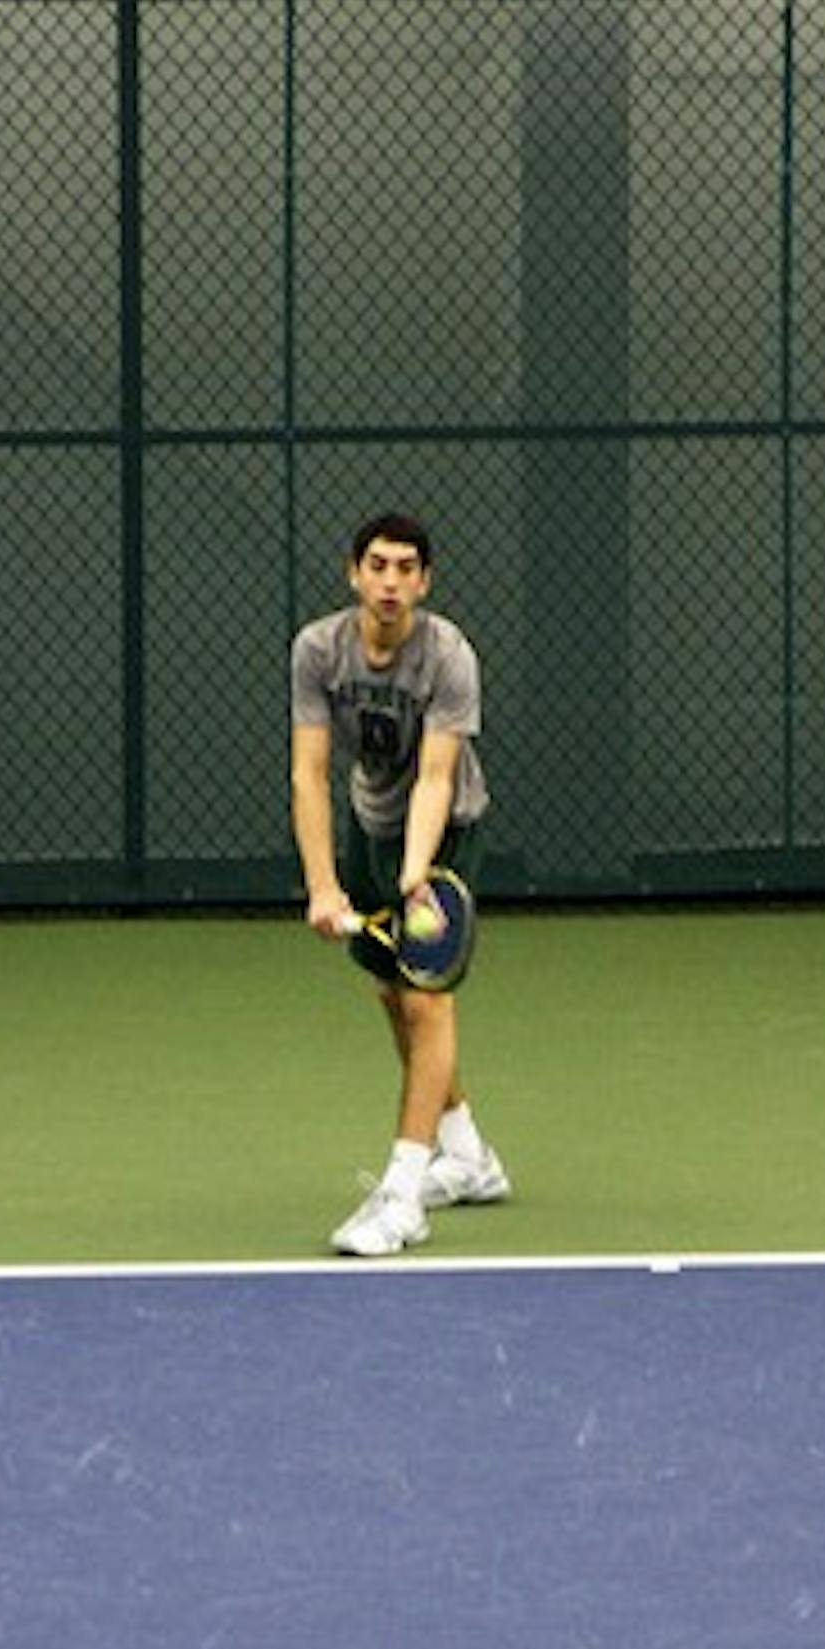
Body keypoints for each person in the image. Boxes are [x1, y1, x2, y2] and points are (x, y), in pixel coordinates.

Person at [290, 512, 511, 1257]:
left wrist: (419, 874)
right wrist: (323, 884)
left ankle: (402, 1193)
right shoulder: (319, 651)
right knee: (392, 993)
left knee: (426, 998)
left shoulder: (448, 655)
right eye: (377, 565)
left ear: (424, 581)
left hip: (448, 826)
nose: (390, 581)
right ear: (354, 573)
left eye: (405, 568)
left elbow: (438, 778)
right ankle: (468, 1156)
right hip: (368, 823)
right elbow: (309, 773)